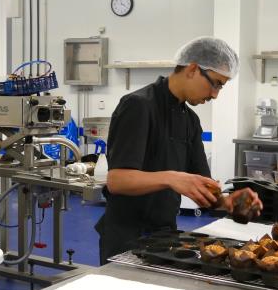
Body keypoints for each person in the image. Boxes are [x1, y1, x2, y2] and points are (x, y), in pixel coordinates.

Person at [95, 36, 263, 264]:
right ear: (193, 69)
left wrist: (226, 201)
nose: (215, 94)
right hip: (125, 235)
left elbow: (204, 188)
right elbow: (117, 181)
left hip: (164, 235)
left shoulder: (190, 121)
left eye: (221, 86)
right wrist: (172, 178)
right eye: (215, 83)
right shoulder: (138, 106)